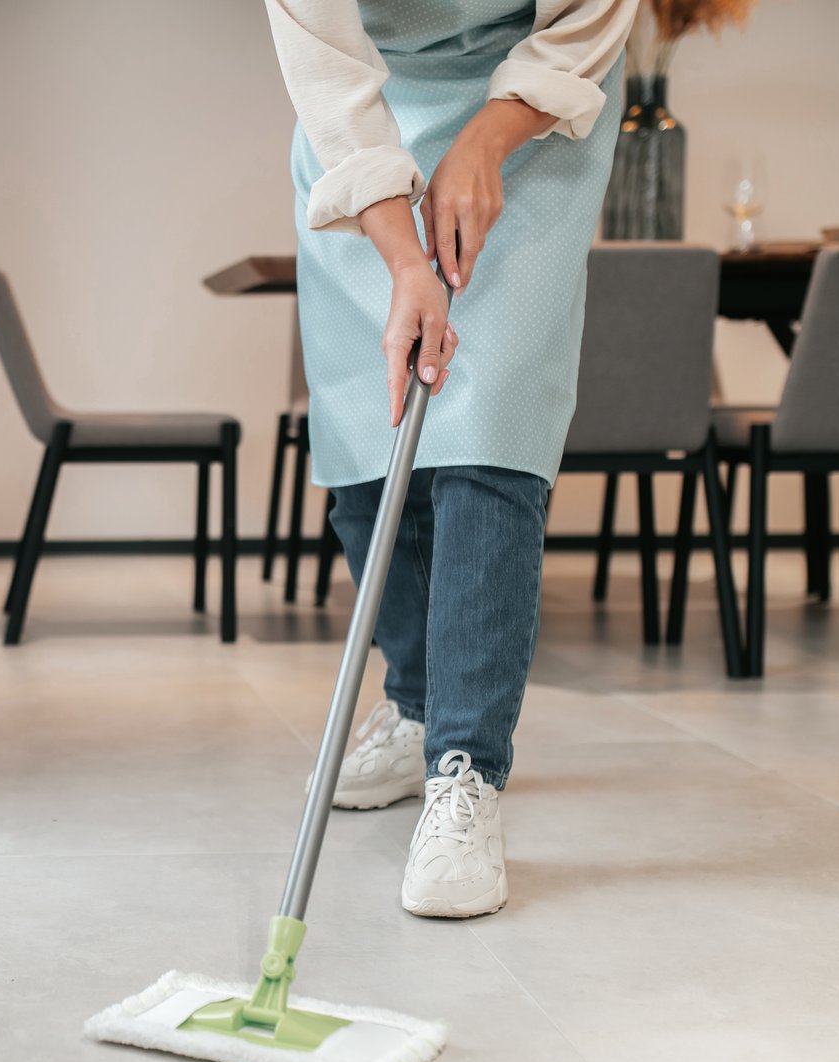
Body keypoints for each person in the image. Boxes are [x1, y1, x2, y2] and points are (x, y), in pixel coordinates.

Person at [263, 0, 636, 917]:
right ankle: (418, 701)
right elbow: (333, 82)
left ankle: (464, 768)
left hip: (539, 116)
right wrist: (404, 261)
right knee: (364, 440)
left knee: (490, 439)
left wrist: (487, 140)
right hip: (365, 128)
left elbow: (591, 20)